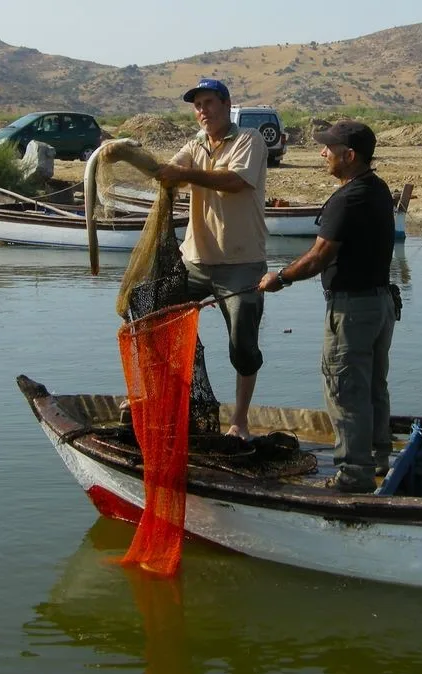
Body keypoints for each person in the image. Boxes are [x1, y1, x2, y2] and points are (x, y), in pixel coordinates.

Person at [258, 120, 397, 493]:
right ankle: (378, 457)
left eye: (328, 148)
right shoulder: (378, 189)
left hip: (351, 310)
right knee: (372, 387)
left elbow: (319, 257)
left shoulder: (348, 199)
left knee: (345, 389)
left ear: (349, 156)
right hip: (380, 305)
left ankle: (354, 475)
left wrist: (280, 278)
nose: (322, 153)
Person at [154, 78, 269, 440]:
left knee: (242, 344)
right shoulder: (194, 145)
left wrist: (183, 174)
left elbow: (235, 181)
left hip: (241, 264)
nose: (202, 111)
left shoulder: (250, 140)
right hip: (195, 262)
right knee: (156, 321)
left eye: (208, 103)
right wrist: (127, 155)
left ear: (225, 104)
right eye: (197, 105)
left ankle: (240, 420)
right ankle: (154, 399)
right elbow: (169, 173)